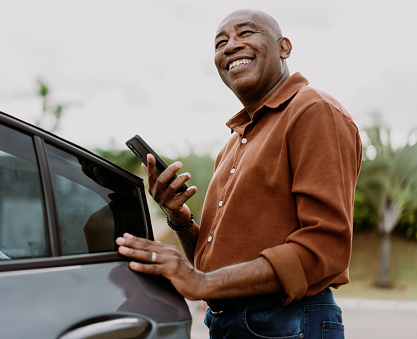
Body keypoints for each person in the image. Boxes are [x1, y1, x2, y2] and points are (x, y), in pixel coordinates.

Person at [116, 9, 362, 339]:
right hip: (227, 322)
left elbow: (326, 247)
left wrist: (201, 282)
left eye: (245, 34)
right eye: (221, 42)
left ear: (284, 47)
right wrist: (178, 216)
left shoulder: (313, 110)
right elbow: (213, 263)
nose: (230, 46)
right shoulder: (233, 143)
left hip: (287, 321)